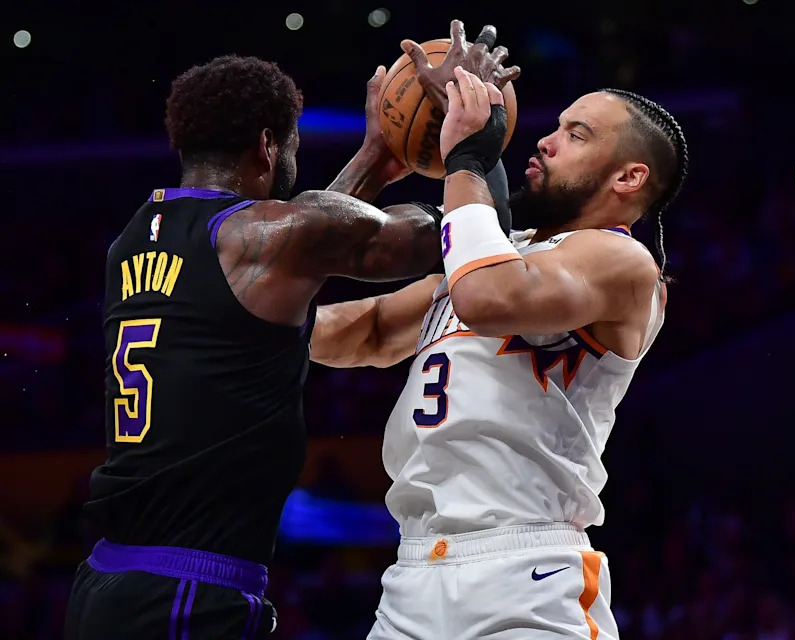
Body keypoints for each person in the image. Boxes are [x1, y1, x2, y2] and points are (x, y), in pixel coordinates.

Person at [64, 23, 520, 639]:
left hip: (106, 580)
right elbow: (459, 237)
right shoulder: (274, 236)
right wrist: (472, 131)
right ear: (267, 145)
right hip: (188, 592)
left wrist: (372, 162)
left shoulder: (138, 236)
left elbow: (296, 247)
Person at [367, 62, 689, 639]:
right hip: (410, 577)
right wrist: (372, 157)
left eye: (577, 134)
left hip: (526, 575)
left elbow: (488, 295)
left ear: (629, 177)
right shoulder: (493, 251)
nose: (545, 138)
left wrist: (466, 159)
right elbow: (363, 330)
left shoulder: (624, 264)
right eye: (558, 126)